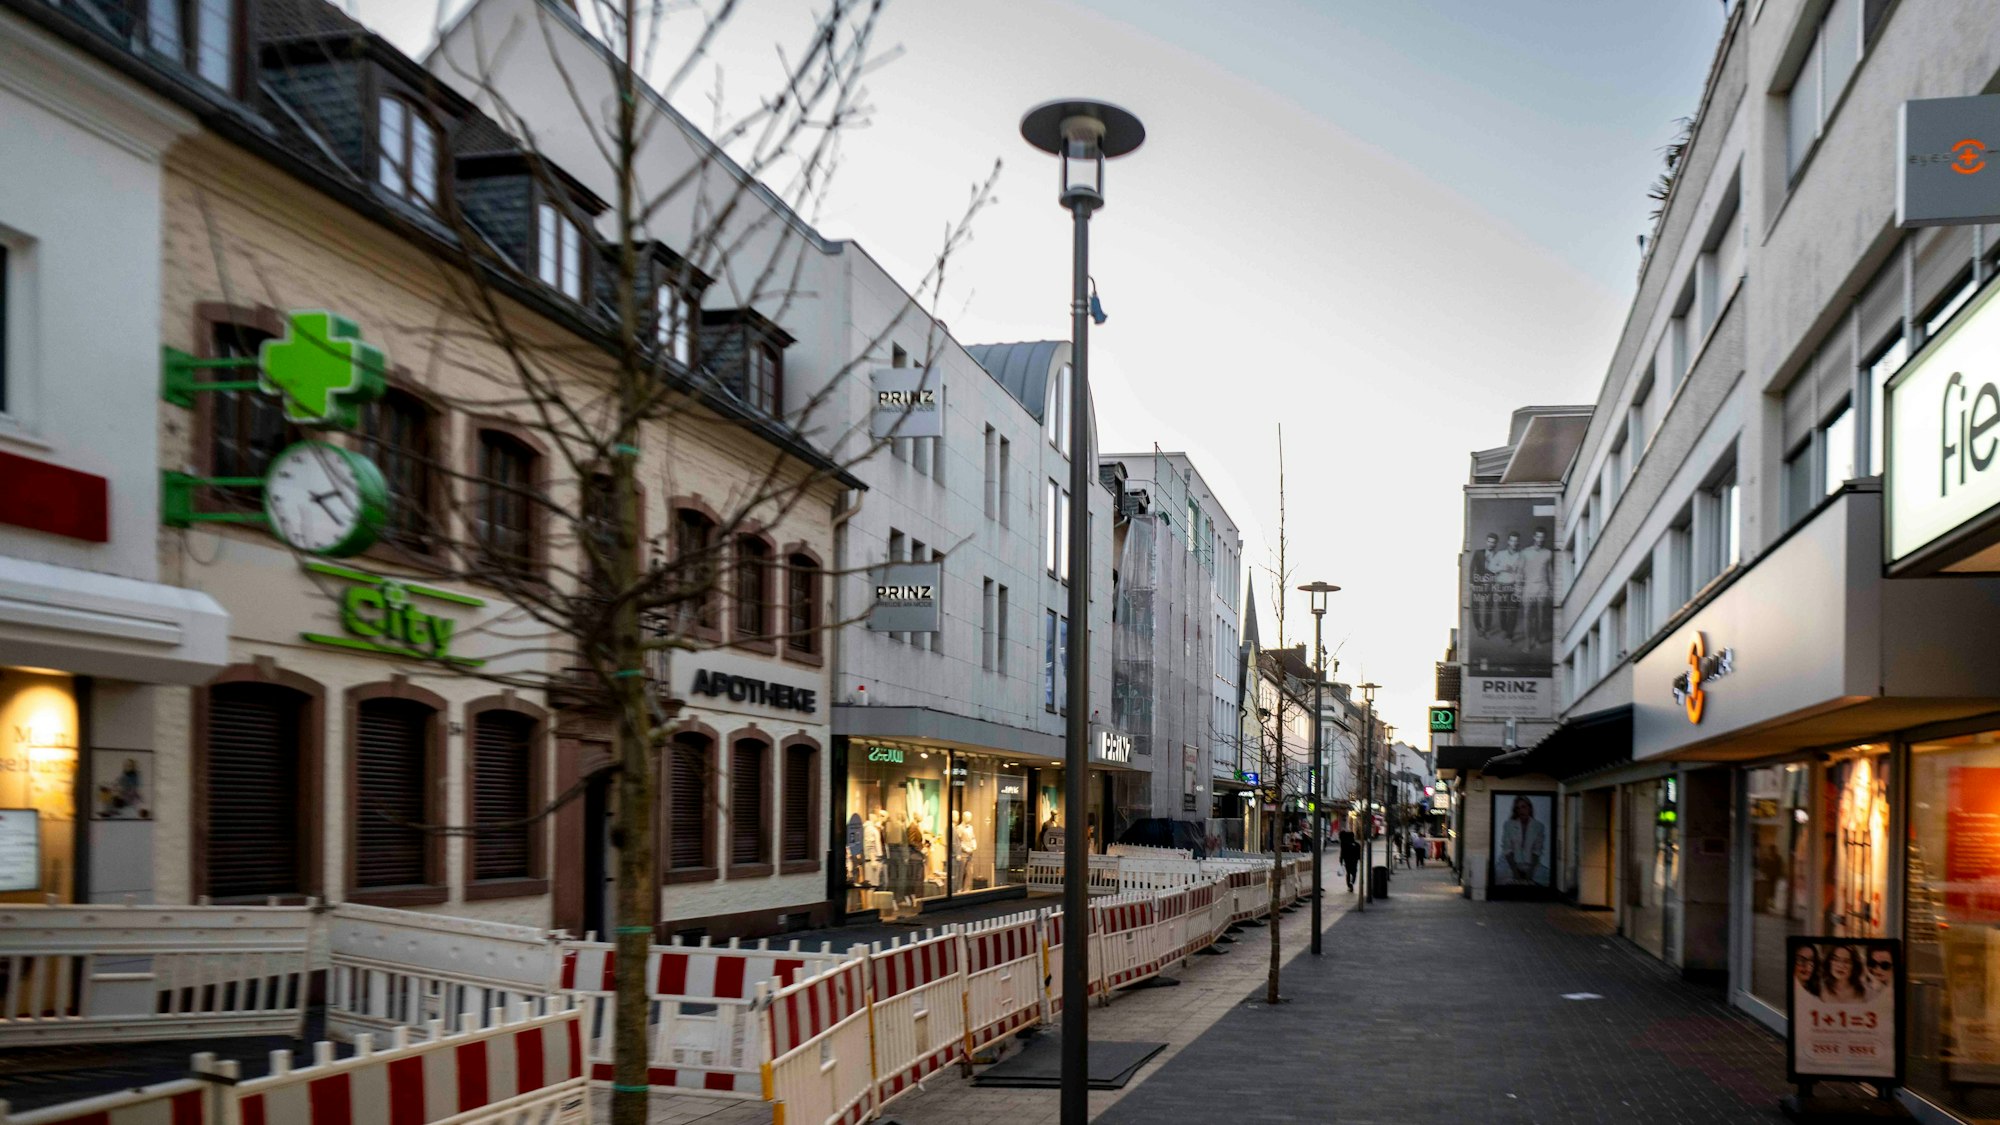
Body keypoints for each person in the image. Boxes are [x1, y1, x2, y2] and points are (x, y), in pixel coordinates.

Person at [1497, 795, 1547, 885]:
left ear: (1529, 808)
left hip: (1531, 864)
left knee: (1544, 878)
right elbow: (1507, 849)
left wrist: (1530, 872)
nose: (1521, 811)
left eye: (1523, 807)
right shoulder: (1509, 825)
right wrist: (1515, 871)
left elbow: (1537, 851)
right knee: (1501, 877)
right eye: (1518, 808)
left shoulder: (1538, 826)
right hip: (1510, 863)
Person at [1519, 527, 1555, 646]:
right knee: (1527, 614)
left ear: (1544, 538)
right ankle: (1527, 642)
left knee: (1541, 615)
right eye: (1538, 536)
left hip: (1543, 587)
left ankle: (1538, 639)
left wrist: (1552, 588)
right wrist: (1518, 588)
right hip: (1529, 587)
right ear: (1534, 537)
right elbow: (1520, 571)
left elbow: (1550, 571)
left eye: (1542, 537)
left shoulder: (1548, 553)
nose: (1540, 539)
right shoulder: (1525, 552)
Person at [1493, 531, 1524, 642]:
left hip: (1514, 586)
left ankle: (1509, 635)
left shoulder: (1522, 555)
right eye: (1512, 540)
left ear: (1518, 542)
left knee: (1512, 611)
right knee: (1502, 610)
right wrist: (1502, 567)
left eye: (1516, 541)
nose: (1514, 543)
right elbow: (1491, 567)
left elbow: (1524, 572)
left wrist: (1516, 571)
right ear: (1508, 541)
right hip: (1501, 586)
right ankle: (1505, 629)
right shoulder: (1501, 554)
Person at [1471, 533, 1501, 638]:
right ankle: (1479, 628)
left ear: (1496, 543)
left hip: (1490, 585)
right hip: (1478, 584)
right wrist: (1471, 583)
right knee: (1475, 606)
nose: (1491, 544)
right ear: (1486, 541)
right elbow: (1471, 568)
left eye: (1493, 542)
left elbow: (1499, 571)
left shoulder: (1499, 556)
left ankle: (1487, 628)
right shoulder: (1478, 553)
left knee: (1489, 607)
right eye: (1489, 541)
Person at [1338, 826, 1361, 891]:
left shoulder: (1344, 844)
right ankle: (1352, 883)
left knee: (1348, 873)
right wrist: (1360, 858)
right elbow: (1358, 853)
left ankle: (1349, 885)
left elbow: (1342, 853)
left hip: (1347, 860)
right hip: (1354, 860)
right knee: (1354, 872)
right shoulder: (1356, 844)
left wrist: (1341, 860)